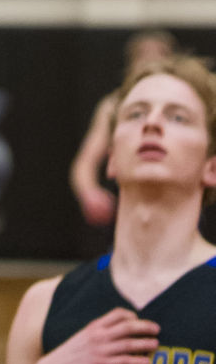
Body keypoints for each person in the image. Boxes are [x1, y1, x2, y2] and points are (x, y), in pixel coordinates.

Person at [0, 53, 216, 364]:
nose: (152, 124)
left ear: (212, 167)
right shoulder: (45, 304)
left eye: (178, 117)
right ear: (110, 160)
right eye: (136, 114)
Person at [71, 30, 179, 227]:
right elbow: (85, 162)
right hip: (128, 210)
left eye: (160, 53)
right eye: (143, 54)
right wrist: (90, 193)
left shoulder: (189, 103)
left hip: (178, 206)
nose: (151, 60)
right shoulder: (113, 105)